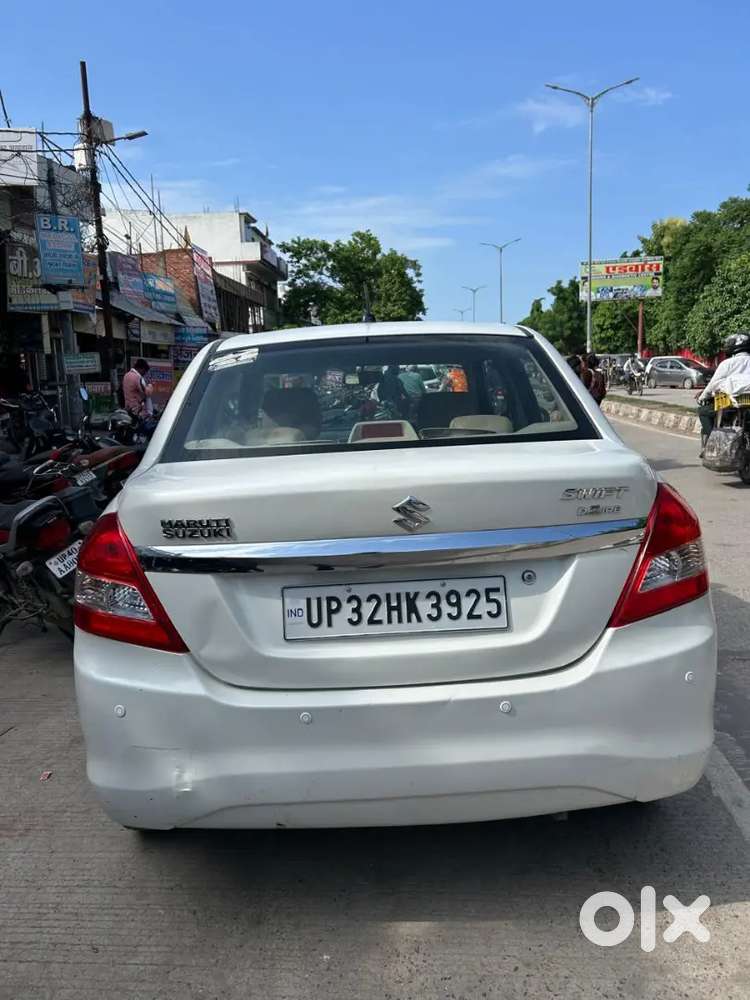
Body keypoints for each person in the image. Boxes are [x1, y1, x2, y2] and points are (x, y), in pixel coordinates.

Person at [696, 332, 750, 452]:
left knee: (703, 412)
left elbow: (712, 385)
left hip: (729, 404)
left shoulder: (727, 364)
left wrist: (702, 397)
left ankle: (712, 443)